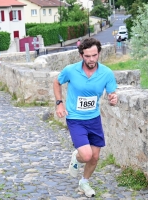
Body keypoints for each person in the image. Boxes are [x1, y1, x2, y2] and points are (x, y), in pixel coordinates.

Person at [53, 38, 118, 198]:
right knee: (87, 155)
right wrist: (59, 103)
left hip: (94, 119)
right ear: (81, 55)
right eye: (87, 56)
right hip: (75, 119)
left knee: (95, 157)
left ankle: (84, 181)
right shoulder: (71, 70)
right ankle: (76, 156)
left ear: (99, 54)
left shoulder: (106, 73)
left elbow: (112, 94)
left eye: (94, 55)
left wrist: (113, 98)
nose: (91, 59)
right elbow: (57, 82)